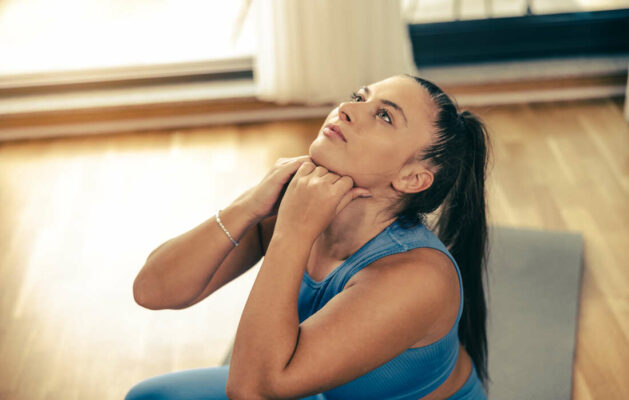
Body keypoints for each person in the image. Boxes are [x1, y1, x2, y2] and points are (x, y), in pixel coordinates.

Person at [125, 74, 491, 400]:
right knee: (149, 396)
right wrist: (249, 205)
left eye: (384, 116)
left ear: (412, 178)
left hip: (279, 384)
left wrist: (293, 232)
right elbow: (152, 290)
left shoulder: (417, 278)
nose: (347, 108)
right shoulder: (300, 203)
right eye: (359, 97)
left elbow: (250, 390)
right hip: (308, 386)